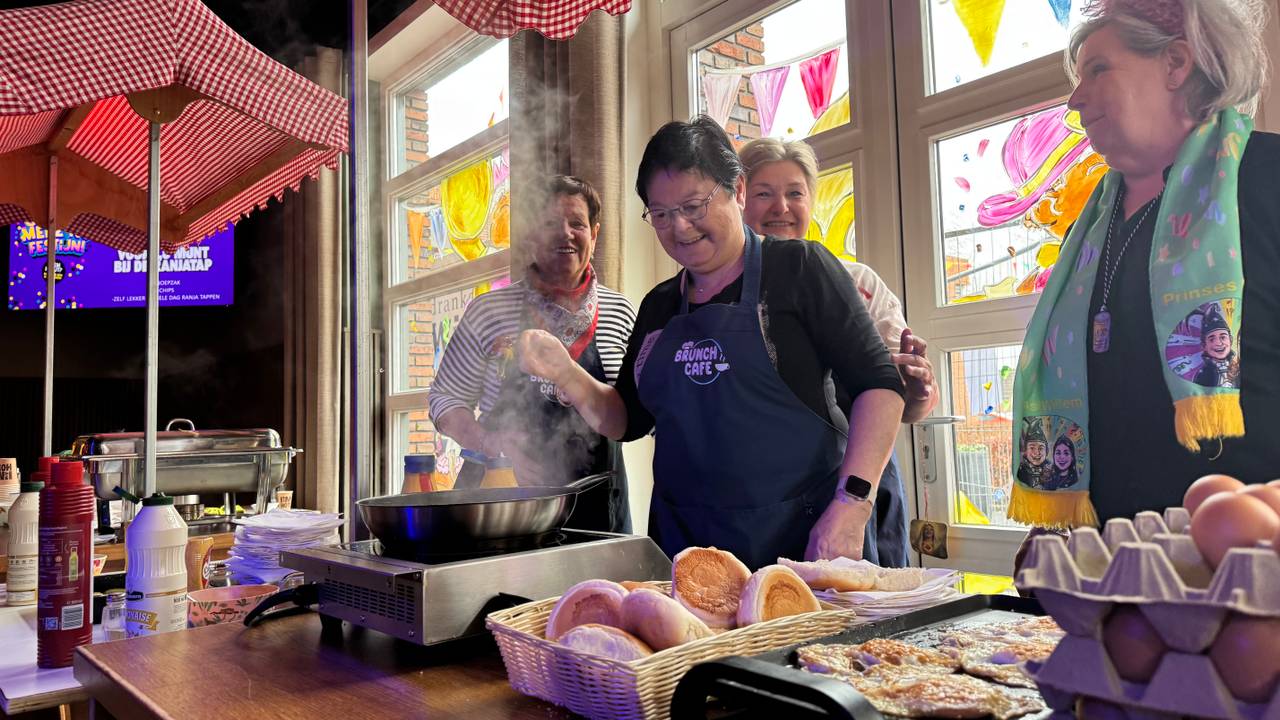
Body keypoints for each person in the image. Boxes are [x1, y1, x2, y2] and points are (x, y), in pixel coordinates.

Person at [517, 117, 906, 570]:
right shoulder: (660, 306)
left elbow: (881, 386)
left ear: (737, 190)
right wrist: (565, 372)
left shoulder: (799, 269)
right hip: (687, 553)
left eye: (693, 206)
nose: (679, 227)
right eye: (661, 214)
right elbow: (626, 420)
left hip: (800, 550)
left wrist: (852, 505)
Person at [1009, 0, 1280, 531]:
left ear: (1175, 64)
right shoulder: (1088, 229)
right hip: (1115, 555)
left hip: (1253, 555)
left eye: (1098, 69)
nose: (1074, 99)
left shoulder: (1268, 176)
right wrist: (1052, 530)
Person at [738, 136, 939, 567]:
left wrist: (918, 390)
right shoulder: (720, 290)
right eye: (764, 194)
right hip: (761, 494)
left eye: (795, 193)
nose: (781, 208)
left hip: (862, 483)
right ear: (738, 199)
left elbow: (908, 409)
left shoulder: (858, 282)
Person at [428, 175, 635, 532]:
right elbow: (444, 398)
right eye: (550, 223)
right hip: (501, 502)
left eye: (577, 223)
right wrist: (491, 444)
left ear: (595, 233)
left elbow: (635, 414)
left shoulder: (621, 313)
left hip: (598, 507)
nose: (565, 234)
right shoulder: (489, 311)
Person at [1191, 303, 1239, 388]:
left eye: (1223, 337)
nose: (1219, 343)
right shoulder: (1205, 373)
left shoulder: (1236, 368)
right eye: (1212, 339)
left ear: (1231, 340)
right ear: (1204, 345)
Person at [1016, 419, 1052, 489]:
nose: (1037, 453)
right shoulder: (1022, 470)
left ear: (1046, 451)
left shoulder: (1051, 470)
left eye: (1041, 448)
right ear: (1026, 450)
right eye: (1032, 448)